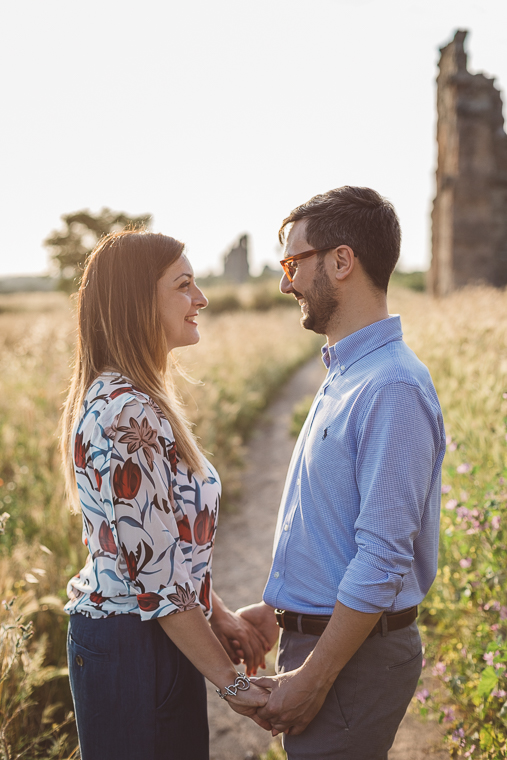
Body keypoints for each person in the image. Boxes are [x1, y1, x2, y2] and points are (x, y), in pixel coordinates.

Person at [238, 186, 446, 759]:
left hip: (352, 662)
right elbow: (332, 523)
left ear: (341, 260)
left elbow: (381, 560)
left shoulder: (391, 386)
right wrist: (283, 612)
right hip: (329, 644)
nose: (285, 283)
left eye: (292, 263)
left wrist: (315, 675)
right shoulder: (347, 371)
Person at [61, 230, 270, 760]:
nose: (200, 299)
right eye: (184, 285)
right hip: (132, 645)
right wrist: (234, 685)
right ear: (138, 302)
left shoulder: (137, 399)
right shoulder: (127, 413)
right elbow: (155, 579)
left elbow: (161, 547)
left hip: (151, 636)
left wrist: (216, 612)